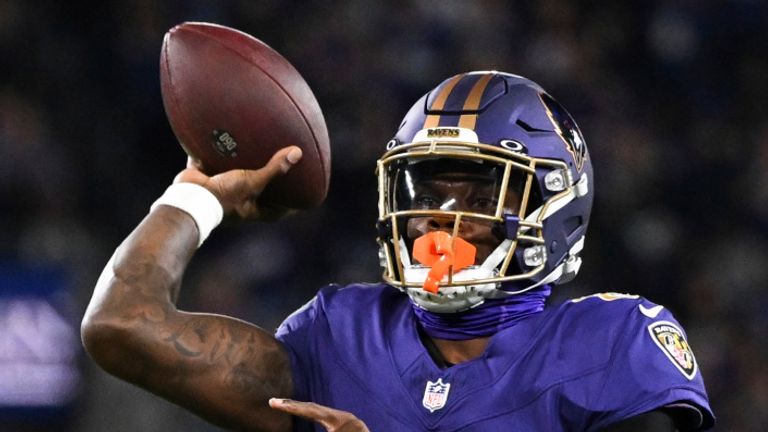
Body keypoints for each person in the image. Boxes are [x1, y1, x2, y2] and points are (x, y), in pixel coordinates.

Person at [82, 71, 714, 431]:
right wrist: (196, 196)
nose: (442, 215)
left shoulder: (613, 342)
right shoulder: (339, 335)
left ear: (554, 206)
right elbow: (120, 326)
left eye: (478, 192)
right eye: (427, 189)